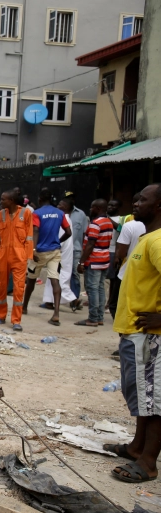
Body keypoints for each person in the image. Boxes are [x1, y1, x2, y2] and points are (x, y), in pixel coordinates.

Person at [109, 183, 161, 484]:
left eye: (143, 199)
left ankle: (148, 463)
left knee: (154, 400)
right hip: (133, 331)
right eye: (136, 197)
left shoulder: (157, 241)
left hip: (149, 334)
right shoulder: (144, 237)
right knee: (144, 397)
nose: (136, 203)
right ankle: (136, 448)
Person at [22, 189, 72, 326]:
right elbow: (68, 232)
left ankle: (24, 307)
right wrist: (58, 241)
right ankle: (56, 314)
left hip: (39, 252)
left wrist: (33, 249)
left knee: (31, 280)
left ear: (40, 199)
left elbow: (36, 230)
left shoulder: (37, 213)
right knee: (55, 280)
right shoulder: (60, 213)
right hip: (55, 251)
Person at [0, 190, 34, 331]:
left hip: (19, 255)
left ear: (12, 200)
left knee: (19, 288)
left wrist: (28, 257)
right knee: (2, 286)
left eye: (3, 199)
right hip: (3, 254)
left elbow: (29, 236)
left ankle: (16, 320)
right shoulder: (2, 214)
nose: (1, 201)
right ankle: (1, 315)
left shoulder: (26, 213)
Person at [75, 199, 113, 327]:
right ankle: (100, 317)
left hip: (94, 260)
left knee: (92, 289)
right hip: (105, 259)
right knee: (100, 288)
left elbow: (90, 244)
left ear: (97, 208)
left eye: (92, 208)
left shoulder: (95, 224)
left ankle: (92, 318)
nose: (90, 210)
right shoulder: (108, 222)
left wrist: (81, 262)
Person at [111, 194, 145, 317]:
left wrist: (117, 257)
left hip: (128, 271)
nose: (135, 205)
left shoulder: (129, 224)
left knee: (117, 304)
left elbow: (121, 252)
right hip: (145, 275)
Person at [42, 199, 79, 311]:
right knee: (52, 276)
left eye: (60, 204)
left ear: (66, 207)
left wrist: (53, 246)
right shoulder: (65, 218)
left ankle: (73, 299)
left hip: (59, 252)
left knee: (58, 277)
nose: (57, 206)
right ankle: (49, 301)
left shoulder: (64, 218)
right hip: (60, 251)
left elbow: (61, 237)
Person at [63, 194, 89, 310]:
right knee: (60, 274)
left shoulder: (81, 214)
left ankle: (74, 299)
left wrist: (83, 251)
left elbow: (84, 233)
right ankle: (60, 298)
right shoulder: (59, 213)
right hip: (61, 249)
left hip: (75, 249)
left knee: (75, 274)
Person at [107, 199, 124, 318]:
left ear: (118, 208)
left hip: (113, 251)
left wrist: (107, 219)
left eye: (113, 205)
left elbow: (120, 229)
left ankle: (110, 302)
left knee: (113, 279)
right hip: (104, 251)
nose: (110, 207)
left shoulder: (122, 219)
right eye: (109, 205)